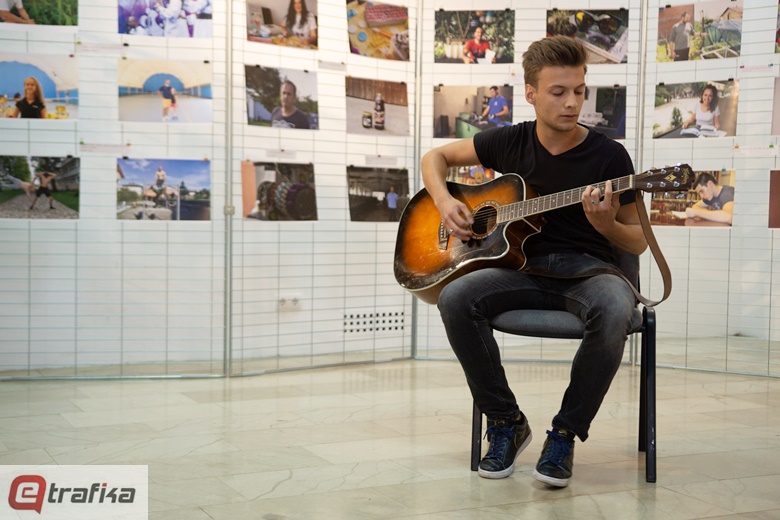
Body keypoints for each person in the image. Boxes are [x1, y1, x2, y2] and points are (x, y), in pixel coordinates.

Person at [421, 35, 647, 487]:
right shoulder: (511, 141)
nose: (572, 103)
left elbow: (638, 241)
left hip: (587, 271)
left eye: (579, 91)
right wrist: (445, 202)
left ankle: (564, 434)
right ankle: (506, 422)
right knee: (455, 297)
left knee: (616, 306)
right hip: (519, 269)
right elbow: (436, 157)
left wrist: (606, 226)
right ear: (531, 93)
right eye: (558, 92)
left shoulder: (610, 157)